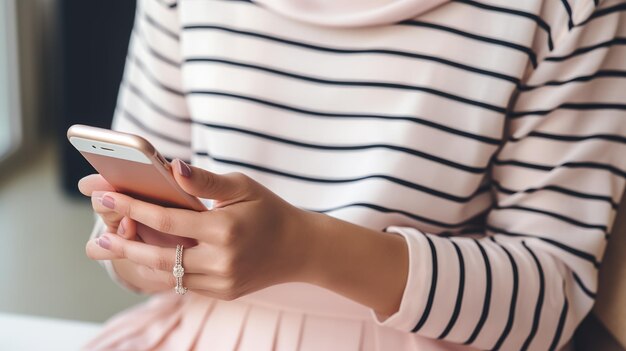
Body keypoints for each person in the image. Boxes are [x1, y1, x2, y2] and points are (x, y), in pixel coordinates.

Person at [78, 0, 626, 349]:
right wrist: (146, 249)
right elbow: (122, 257)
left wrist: (306, 249)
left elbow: (552, 301)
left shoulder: (568, 10)